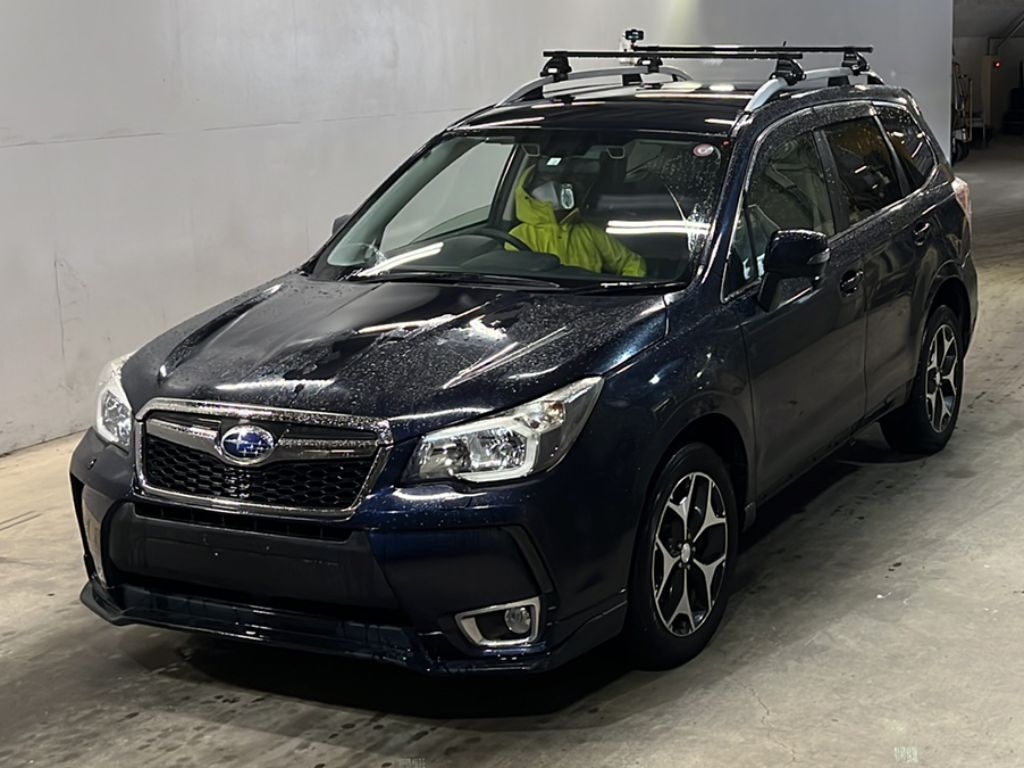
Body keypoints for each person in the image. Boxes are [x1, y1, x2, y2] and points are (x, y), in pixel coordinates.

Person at [509, 168, 647, 277]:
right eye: (543, 180)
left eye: (557, 181)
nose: (552, 186)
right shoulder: (519, 237)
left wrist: (621, 296)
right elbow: (516, 281)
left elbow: (631, 263)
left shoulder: (590, 233)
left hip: (590, 300)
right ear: (526, 194)